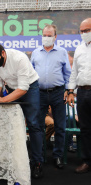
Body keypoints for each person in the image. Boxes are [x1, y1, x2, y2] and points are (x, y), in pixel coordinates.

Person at [0, 42, 43, 179]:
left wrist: (3, 100)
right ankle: (15, 162)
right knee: (12, 126)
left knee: (33, 124)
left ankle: (37, 162)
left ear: (3, 53)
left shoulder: (19, 58)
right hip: (11, 89)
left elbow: (23, 88)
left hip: (29, 88)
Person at [31, 24, 71, 169]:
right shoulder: (35, 53)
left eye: (49, 35)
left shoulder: (62, 52)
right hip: (39, 94)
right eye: (44, 35)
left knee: (60, 126)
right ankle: (39, 157)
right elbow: (31, 73)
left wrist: (69, 90)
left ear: (55, 37)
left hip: (58, 93)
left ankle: (58, 156)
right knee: (38, 127)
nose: (46, 38)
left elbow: (68, 73)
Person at [67, 18, 91, 174]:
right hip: (82, 92)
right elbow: (74, 72)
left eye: (87, 30)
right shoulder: (79, 48)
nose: (84, 33)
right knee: (86, 128)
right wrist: (70, 91)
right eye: (82, 31)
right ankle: (87, 161)